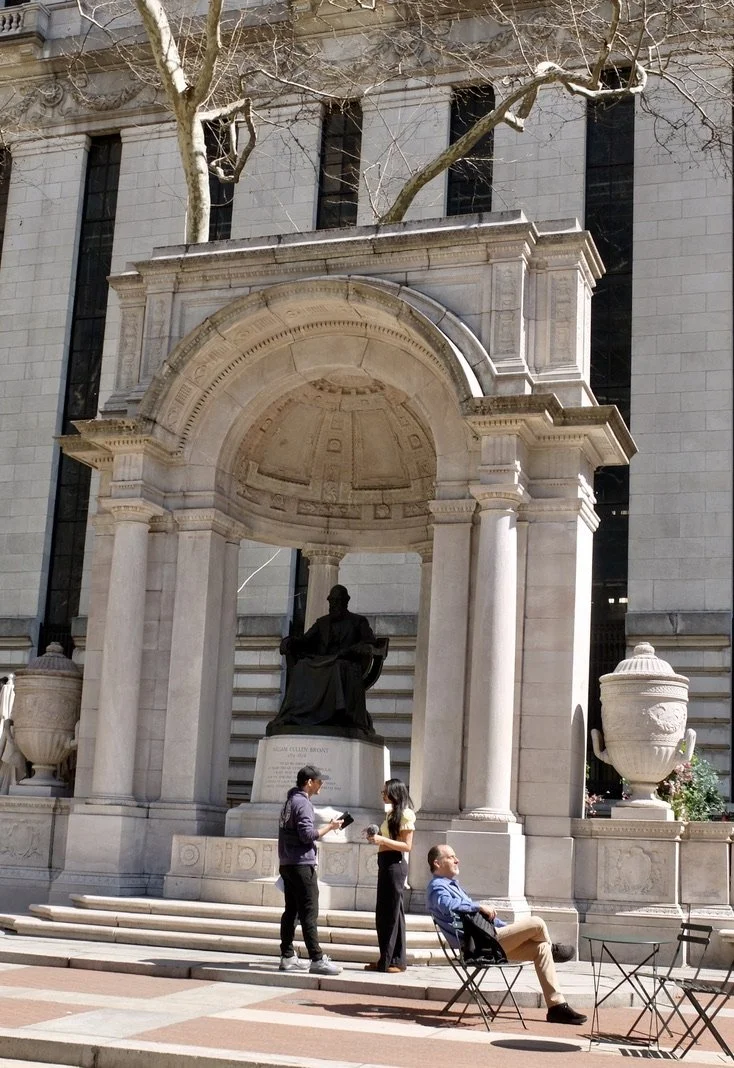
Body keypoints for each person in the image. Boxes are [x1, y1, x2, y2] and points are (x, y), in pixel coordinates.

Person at [426, 844, 587, 1026]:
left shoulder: (453, 886)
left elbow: (484, 922)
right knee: (537, 922)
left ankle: (557, 1007)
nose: (457, 860)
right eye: (451, 857)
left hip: (490, 941)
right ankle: (553, 949)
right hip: (480, 947)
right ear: (437, 863)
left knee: (540, 949)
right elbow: (448, 905)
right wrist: (477, 906)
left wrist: (511, 929)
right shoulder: (436, 888)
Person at [267, 585, 378, 739]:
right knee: (302, 666)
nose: (334, 605)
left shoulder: (358, 621)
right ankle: (297, 713)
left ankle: (335, 713)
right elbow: (305, 640)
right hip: (324, 662)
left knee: (336, 667)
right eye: (332, 601)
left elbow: (370, 641)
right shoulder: (322, 623)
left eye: (338, 601)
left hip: (346, 663)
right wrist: (290, 641)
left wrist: (356, 649)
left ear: (346, 601)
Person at [278, 765, 343, 975]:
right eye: (319, 781)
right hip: (301, 863)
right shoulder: (303, 804)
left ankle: (287, 956)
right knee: (309, 911)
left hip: (287, 863)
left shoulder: (289, 802)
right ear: (309, 782)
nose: (321, 784)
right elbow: (307, 835)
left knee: (291, 911)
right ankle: (316, 958)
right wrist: (330, 827)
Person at [364, 778, 415, 973]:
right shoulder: (391, 814)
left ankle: (396, 960)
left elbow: (407, 846)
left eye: (385, 791)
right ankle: (385, 958)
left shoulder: (406, 814)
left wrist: (382, 839)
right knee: (384, 913)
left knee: (393, 914)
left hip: (395, 863)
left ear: (394, 792)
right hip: (385, 863)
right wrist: (377, 840)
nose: (382, 794)